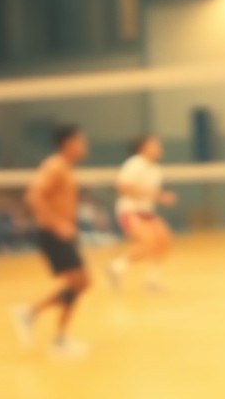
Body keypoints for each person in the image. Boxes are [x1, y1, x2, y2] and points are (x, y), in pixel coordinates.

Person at [12, 125, 92, 356]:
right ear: (68, 143)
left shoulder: (65, 167)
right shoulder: (55, 165)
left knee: (80, 283)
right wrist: (58, 224)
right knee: (80, 282)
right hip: (53, 234)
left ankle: (36, 319)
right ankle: (42, 325)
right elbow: (33, 195)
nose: (84, 146)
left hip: (63, 234)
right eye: (80, 141)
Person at [108, 136, 176, 292]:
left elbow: (150, 194)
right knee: (148, 243)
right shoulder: (134, 164)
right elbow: (123, 187)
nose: (158, 148)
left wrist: (159, 197)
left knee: (163, 240)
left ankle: (152, 281)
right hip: (130, 210)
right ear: (142, 148)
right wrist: (156, 194)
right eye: (154, 145)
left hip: (147, 211)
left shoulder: (156, 170)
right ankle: (115, 268)